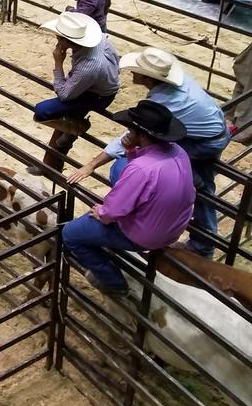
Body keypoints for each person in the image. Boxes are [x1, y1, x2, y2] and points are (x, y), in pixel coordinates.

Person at [69, 48, 230, 258]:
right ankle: (203, 244)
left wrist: (92, 164)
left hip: (201, 142)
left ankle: (180, 199)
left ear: (146, 77)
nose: (132, 73)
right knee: (199, 187)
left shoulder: (163, 103)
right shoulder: (175, 85)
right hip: (212, 133)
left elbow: (128, 138)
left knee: (126, 168)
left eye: (136, 70)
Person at [62, 100, 195, 297]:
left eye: (131, 130)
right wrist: (131, 151)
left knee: (71, 234)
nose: (126, 133)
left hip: (146, 236)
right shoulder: (178, 151)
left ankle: (115, 283)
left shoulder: (141, 170)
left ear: (142, 136)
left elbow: (114, 210)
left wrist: (101, 213)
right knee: (122, 164)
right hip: (174, 227)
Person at [30, 11, 120, 175]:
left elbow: (64, 94)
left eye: (59, 37)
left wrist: (58, 63)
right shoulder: (100, 39)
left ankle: (74, 130)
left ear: (67, 41)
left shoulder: (88, 66)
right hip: (100, 85)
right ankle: (52, 162)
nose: (56, 39)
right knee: (65, 121)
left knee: (43, 111)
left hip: (97, 95)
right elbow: (115, 60)